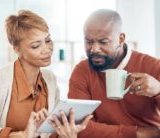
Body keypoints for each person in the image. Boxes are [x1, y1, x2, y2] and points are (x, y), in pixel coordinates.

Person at [0, 10, 92, 138]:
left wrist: (66, 134)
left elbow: (50, 132)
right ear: (17, 49)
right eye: (35, 46)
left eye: (48, 40)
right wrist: (19, 135)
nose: (47, 49)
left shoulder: (50, 79)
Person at [68, 9, 160, 138]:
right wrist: (137, 133)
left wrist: (158, 91)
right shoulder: (82, 71)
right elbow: (79, 126)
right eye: (89, 42)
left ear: (121, 39)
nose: (94, 49)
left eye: (103, 42)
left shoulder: (153, 66)